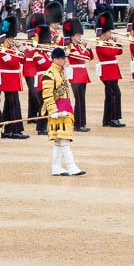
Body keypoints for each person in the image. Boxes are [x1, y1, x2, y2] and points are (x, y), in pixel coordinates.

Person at [41, 48, 85, 178]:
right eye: (60, 58)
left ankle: (56, 167)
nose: (63, 60)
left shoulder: (61, 72)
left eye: (63, 58)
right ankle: (71, 166)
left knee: (59, 141)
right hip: (58, 109)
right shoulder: (49, 74)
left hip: (65, 107)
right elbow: (47, 95)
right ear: (54, 59)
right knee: (64, 140)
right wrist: (53, 111)